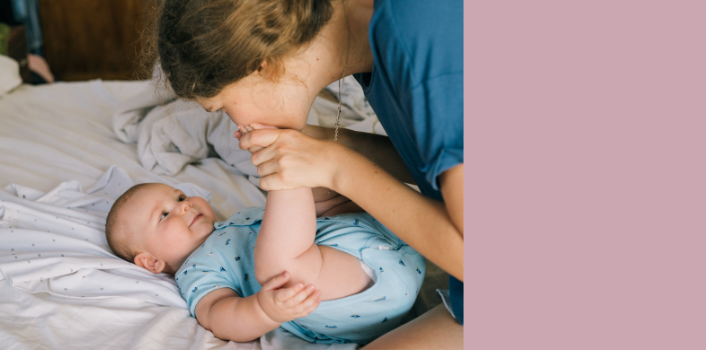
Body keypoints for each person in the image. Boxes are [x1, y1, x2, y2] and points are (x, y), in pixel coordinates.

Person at [150, 0, 464, 348]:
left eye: (223, 106)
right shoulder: (376, 45)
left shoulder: (420, 30)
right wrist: (329, 147)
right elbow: (441, 164)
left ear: (259, 66)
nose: (235, 124)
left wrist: (338, 167)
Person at [104, 181, 426, 344]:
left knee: (314, 194)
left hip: (391, 239)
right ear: (151, 262)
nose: (184, 206)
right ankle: (290, 172)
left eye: (179, 198)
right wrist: (264, 310)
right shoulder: (195, 271)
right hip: (358, 289)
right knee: (283, 265)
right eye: (164, 215)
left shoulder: (236, 220)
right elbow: (218, 315)